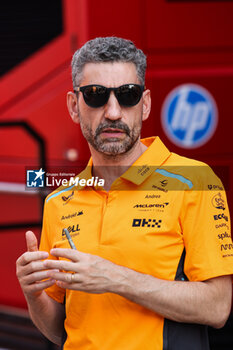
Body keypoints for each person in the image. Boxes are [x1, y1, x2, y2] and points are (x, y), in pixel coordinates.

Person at [16, 37, 233, 350]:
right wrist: (34, 294)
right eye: (96, 96)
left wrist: (114, 278)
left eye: (128, 95)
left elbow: (218, 307)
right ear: (74, 106)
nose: (114, 112)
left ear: (144, 105)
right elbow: (59, 329)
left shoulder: (194, 181)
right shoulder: (58, 201)